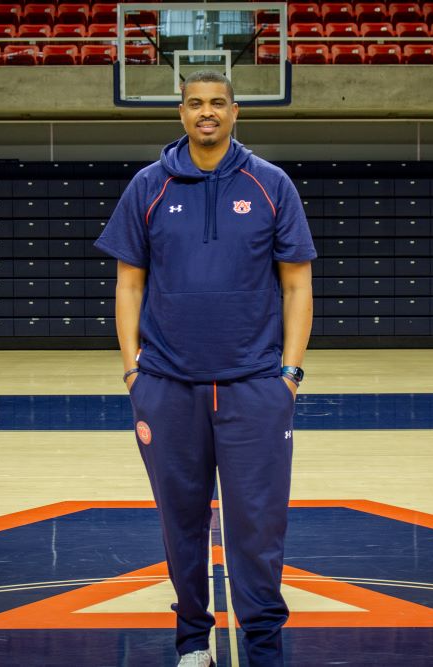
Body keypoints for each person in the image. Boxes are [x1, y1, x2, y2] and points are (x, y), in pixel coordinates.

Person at [94, 70, 315, 667]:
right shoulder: (148, 186)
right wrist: (132, 371)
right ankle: (194, 642)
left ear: (236, 111)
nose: (207, 112)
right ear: (181, 114)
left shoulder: (271, 184)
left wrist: (289, 375)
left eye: (218, 103)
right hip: (167, 387)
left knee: (258, 528)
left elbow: (298, 286)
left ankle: (262, 647)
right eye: (196, 104)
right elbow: (127, 285)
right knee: (181, 524)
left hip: (253, 389)